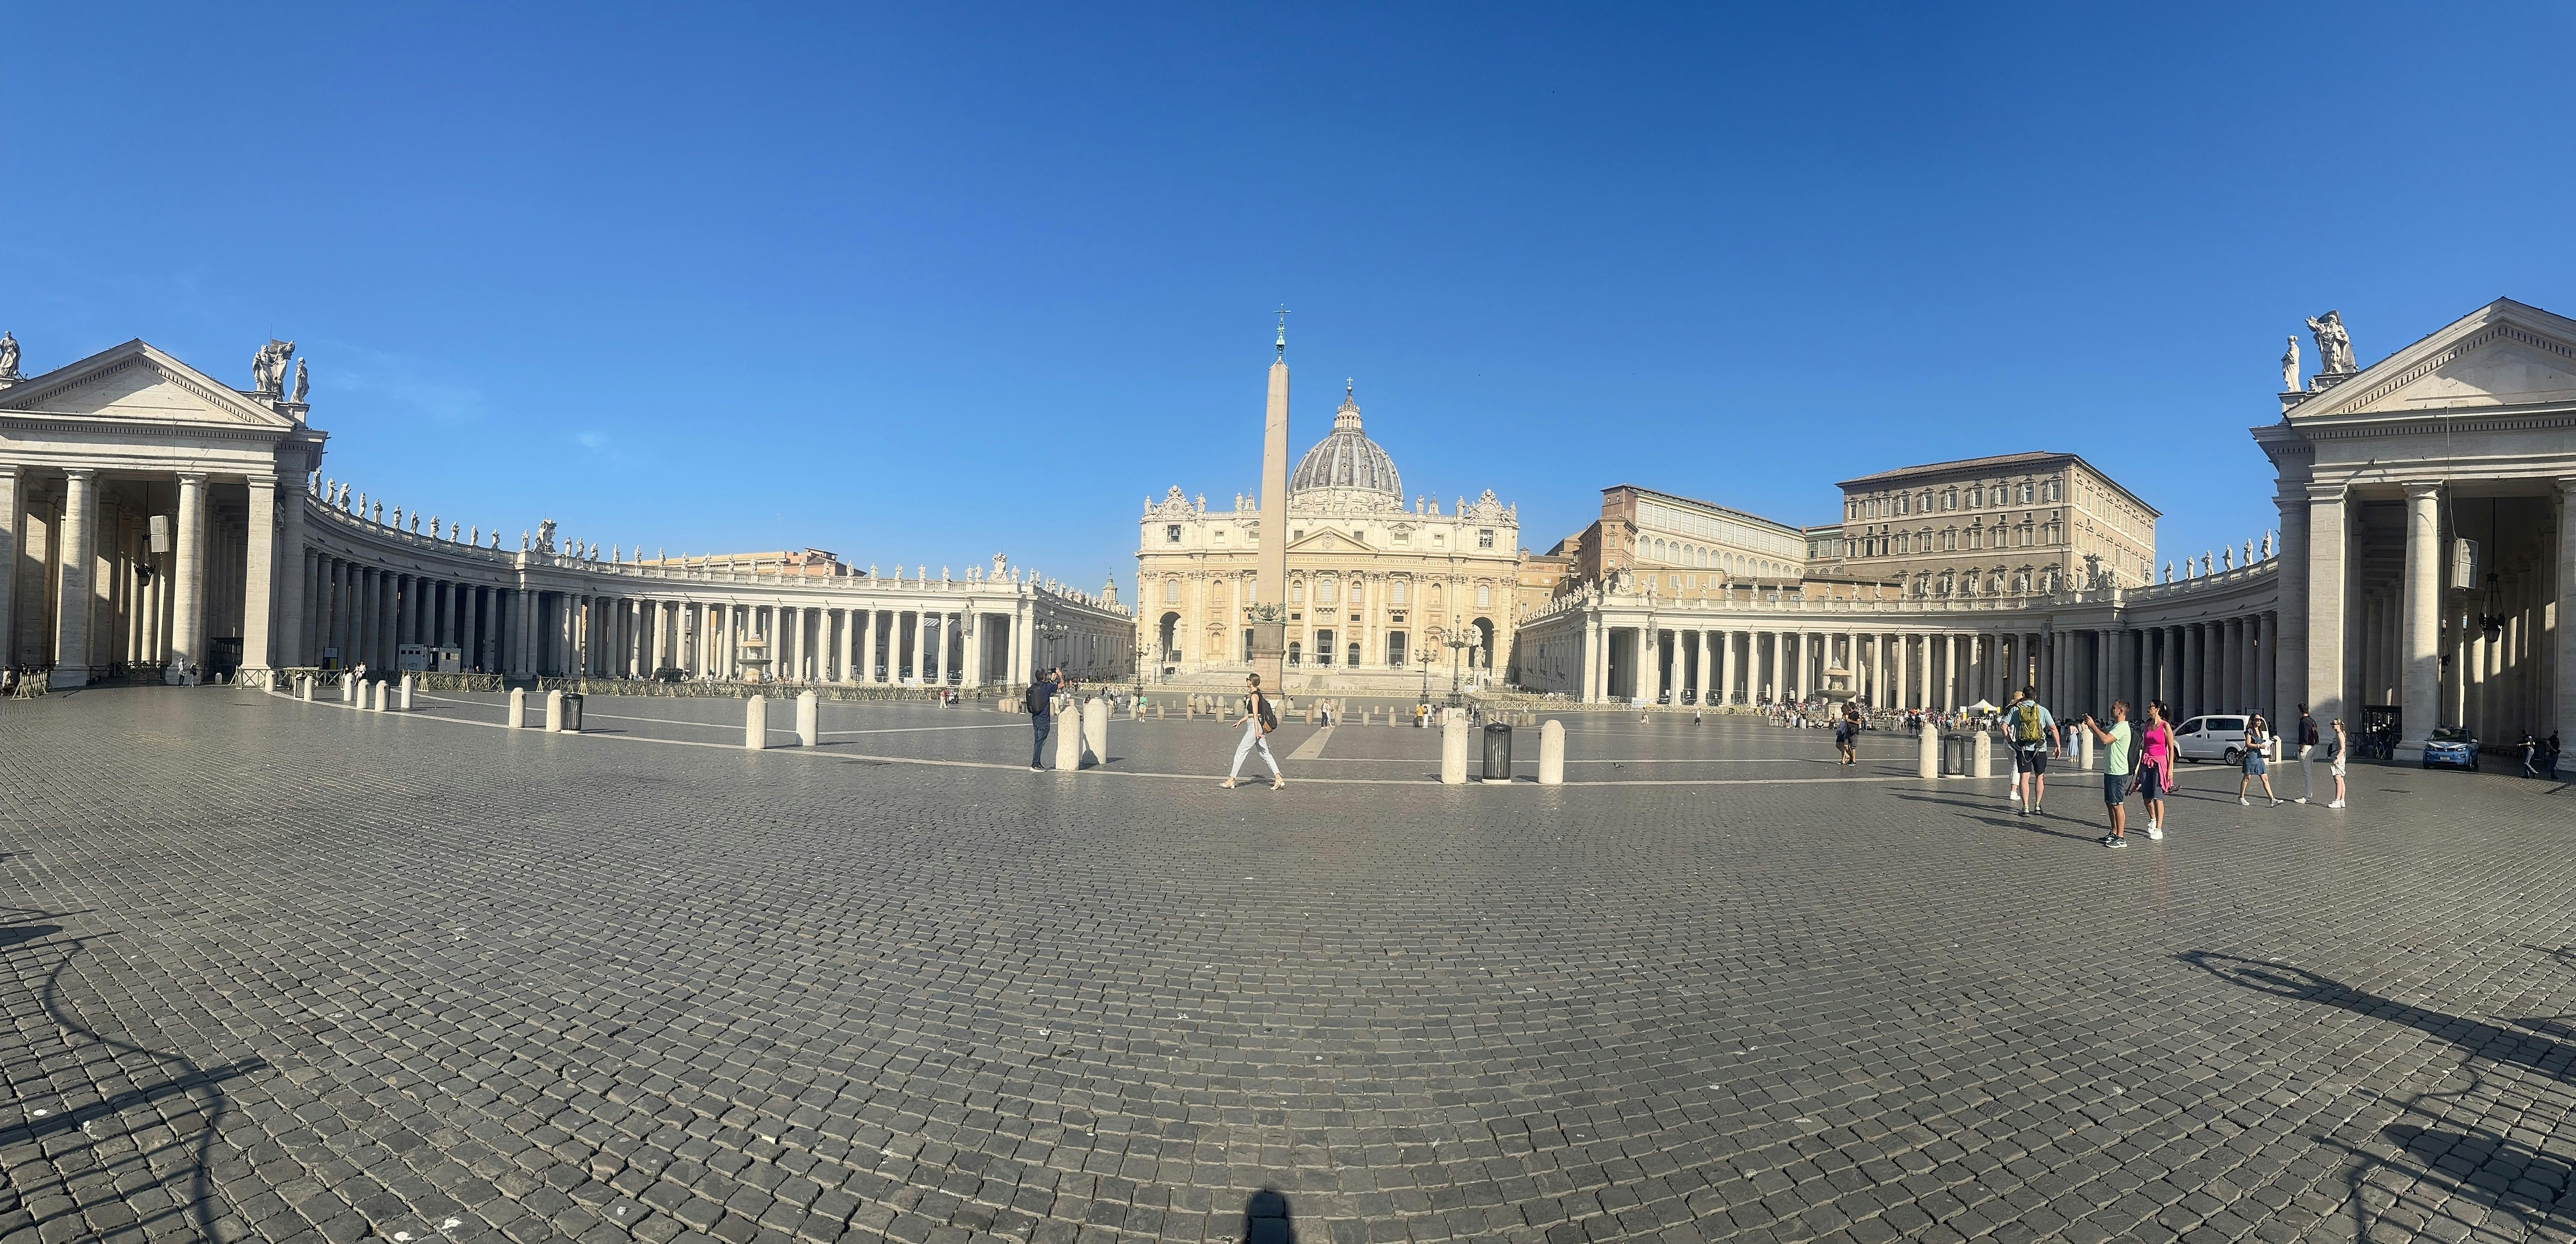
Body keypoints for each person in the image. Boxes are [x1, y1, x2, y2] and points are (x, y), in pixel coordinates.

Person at [2078, 702, 2134, 848]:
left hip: (2118, 771)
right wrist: (2091, 724)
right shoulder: (2115, 726)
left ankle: (2121, 838)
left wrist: (2093, 725)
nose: (2111, 709)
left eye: (2113, 708)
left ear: (2121, 711)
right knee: (2110, 804)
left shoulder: (2122, 727)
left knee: (2118, 805)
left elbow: (2105, 740)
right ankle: (2114, 833)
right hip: (2110, 770)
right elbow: (2103, 732)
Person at [1220, 673, 1284, 790]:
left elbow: (1255, 715)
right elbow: (1253, 715)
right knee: (1265, 754)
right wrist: (1241, 721)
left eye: (1247, 680)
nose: (1247, 681)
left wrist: (1256, 731)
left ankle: (1231, 780)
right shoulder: (1258, 695)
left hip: (1254, 727)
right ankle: (1278, 777)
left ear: (1251, 682)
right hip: (1255, 725)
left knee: (1241, 751)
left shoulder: (1255, 696)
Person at [2003, 686, 2059, 816]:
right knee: (2040, 777)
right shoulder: (2042, 710)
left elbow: (2003, 727)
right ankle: (2038, 806)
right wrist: (2058, 746)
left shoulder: (2016, 711)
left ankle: (2025, 807)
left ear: (2024, 696)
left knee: (2024, 777)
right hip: (2040, 748)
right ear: (2035, 696)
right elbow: (2053, 728)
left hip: (2022, 748)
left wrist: (2011, 742)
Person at [2131, 701, 2176, 839]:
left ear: (2157, 710)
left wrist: (2170, 769)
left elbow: (2171, 748)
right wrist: (2139, 766)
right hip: (2146, 761)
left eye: (2150, 706)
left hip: (2160, 763)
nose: (2148, 708)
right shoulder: (2147, 725)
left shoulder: (2165, 726)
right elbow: (2144, 746)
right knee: (2146, 796)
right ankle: (2153, 819)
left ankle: (2159, 829)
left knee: (2158, 797)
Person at [2238, 714, 2280, 807]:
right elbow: (2248, 744)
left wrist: (2266, 746)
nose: (2259, 721)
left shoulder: (2260, 732)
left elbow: (2261, 743)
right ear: (2253, 721)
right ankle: (2241, 797)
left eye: (2260, 720)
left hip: (2259, 757)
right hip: (2251, 757)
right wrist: (2259, 746)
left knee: (2265, 778)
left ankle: (2272, 800)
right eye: (2257, 720)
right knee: (2247, 778)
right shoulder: (2249, 732)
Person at [1026, 667, 1061, 770]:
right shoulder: (1047, 687)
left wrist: (1051, 681)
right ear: (1044, 677)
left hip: (1036, 718)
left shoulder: (1035, 686)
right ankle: (1035, 764)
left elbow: (1045, 688)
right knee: (1039, 742)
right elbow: (1062, 685)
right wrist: (1060, 675)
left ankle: (1037, 763)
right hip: (1044, 720)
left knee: (1038, 741)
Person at [2294, 705, 2319, 803]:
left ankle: (2307, 797)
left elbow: (2304, 737)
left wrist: (2301, 749)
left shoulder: (2303, 722)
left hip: (2305, 748)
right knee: (2309, 773)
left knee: (2307, 774)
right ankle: (2309, 795)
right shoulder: (2312, 720)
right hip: (2313, 748)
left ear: (2300, 711)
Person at [2326, 718, 2348, 808]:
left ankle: (2337, 801)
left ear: (2339, 725)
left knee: (2338, 780)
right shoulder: (2339, 734)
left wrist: (2336, 758)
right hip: (2339, 758)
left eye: (2334, 724)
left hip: (2339, 759)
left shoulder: (2340, 734)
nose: (2332, 725)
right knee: (2341, 780)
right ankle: (2342, 800)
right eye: (2332, 724)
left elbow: (2342, 749)